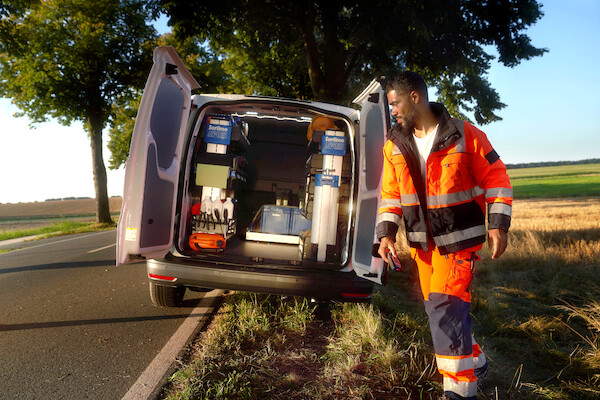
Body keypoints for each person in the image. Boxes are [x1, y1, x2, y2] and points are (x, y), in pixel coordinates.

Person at [376, 72, 512, 400]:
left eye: (394, 103)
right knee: (439, 309)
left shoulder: (465, 134)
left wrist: (498, 223)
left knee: (445, 308)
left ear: (415, 97)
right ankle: (475, 359)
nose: (391, 110)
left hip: (459, 242)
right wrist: (386, 234)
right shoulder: (393, 143)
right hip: (422, 246)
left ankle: (460, 390)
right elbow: (391, 194)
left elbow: (497, 177)